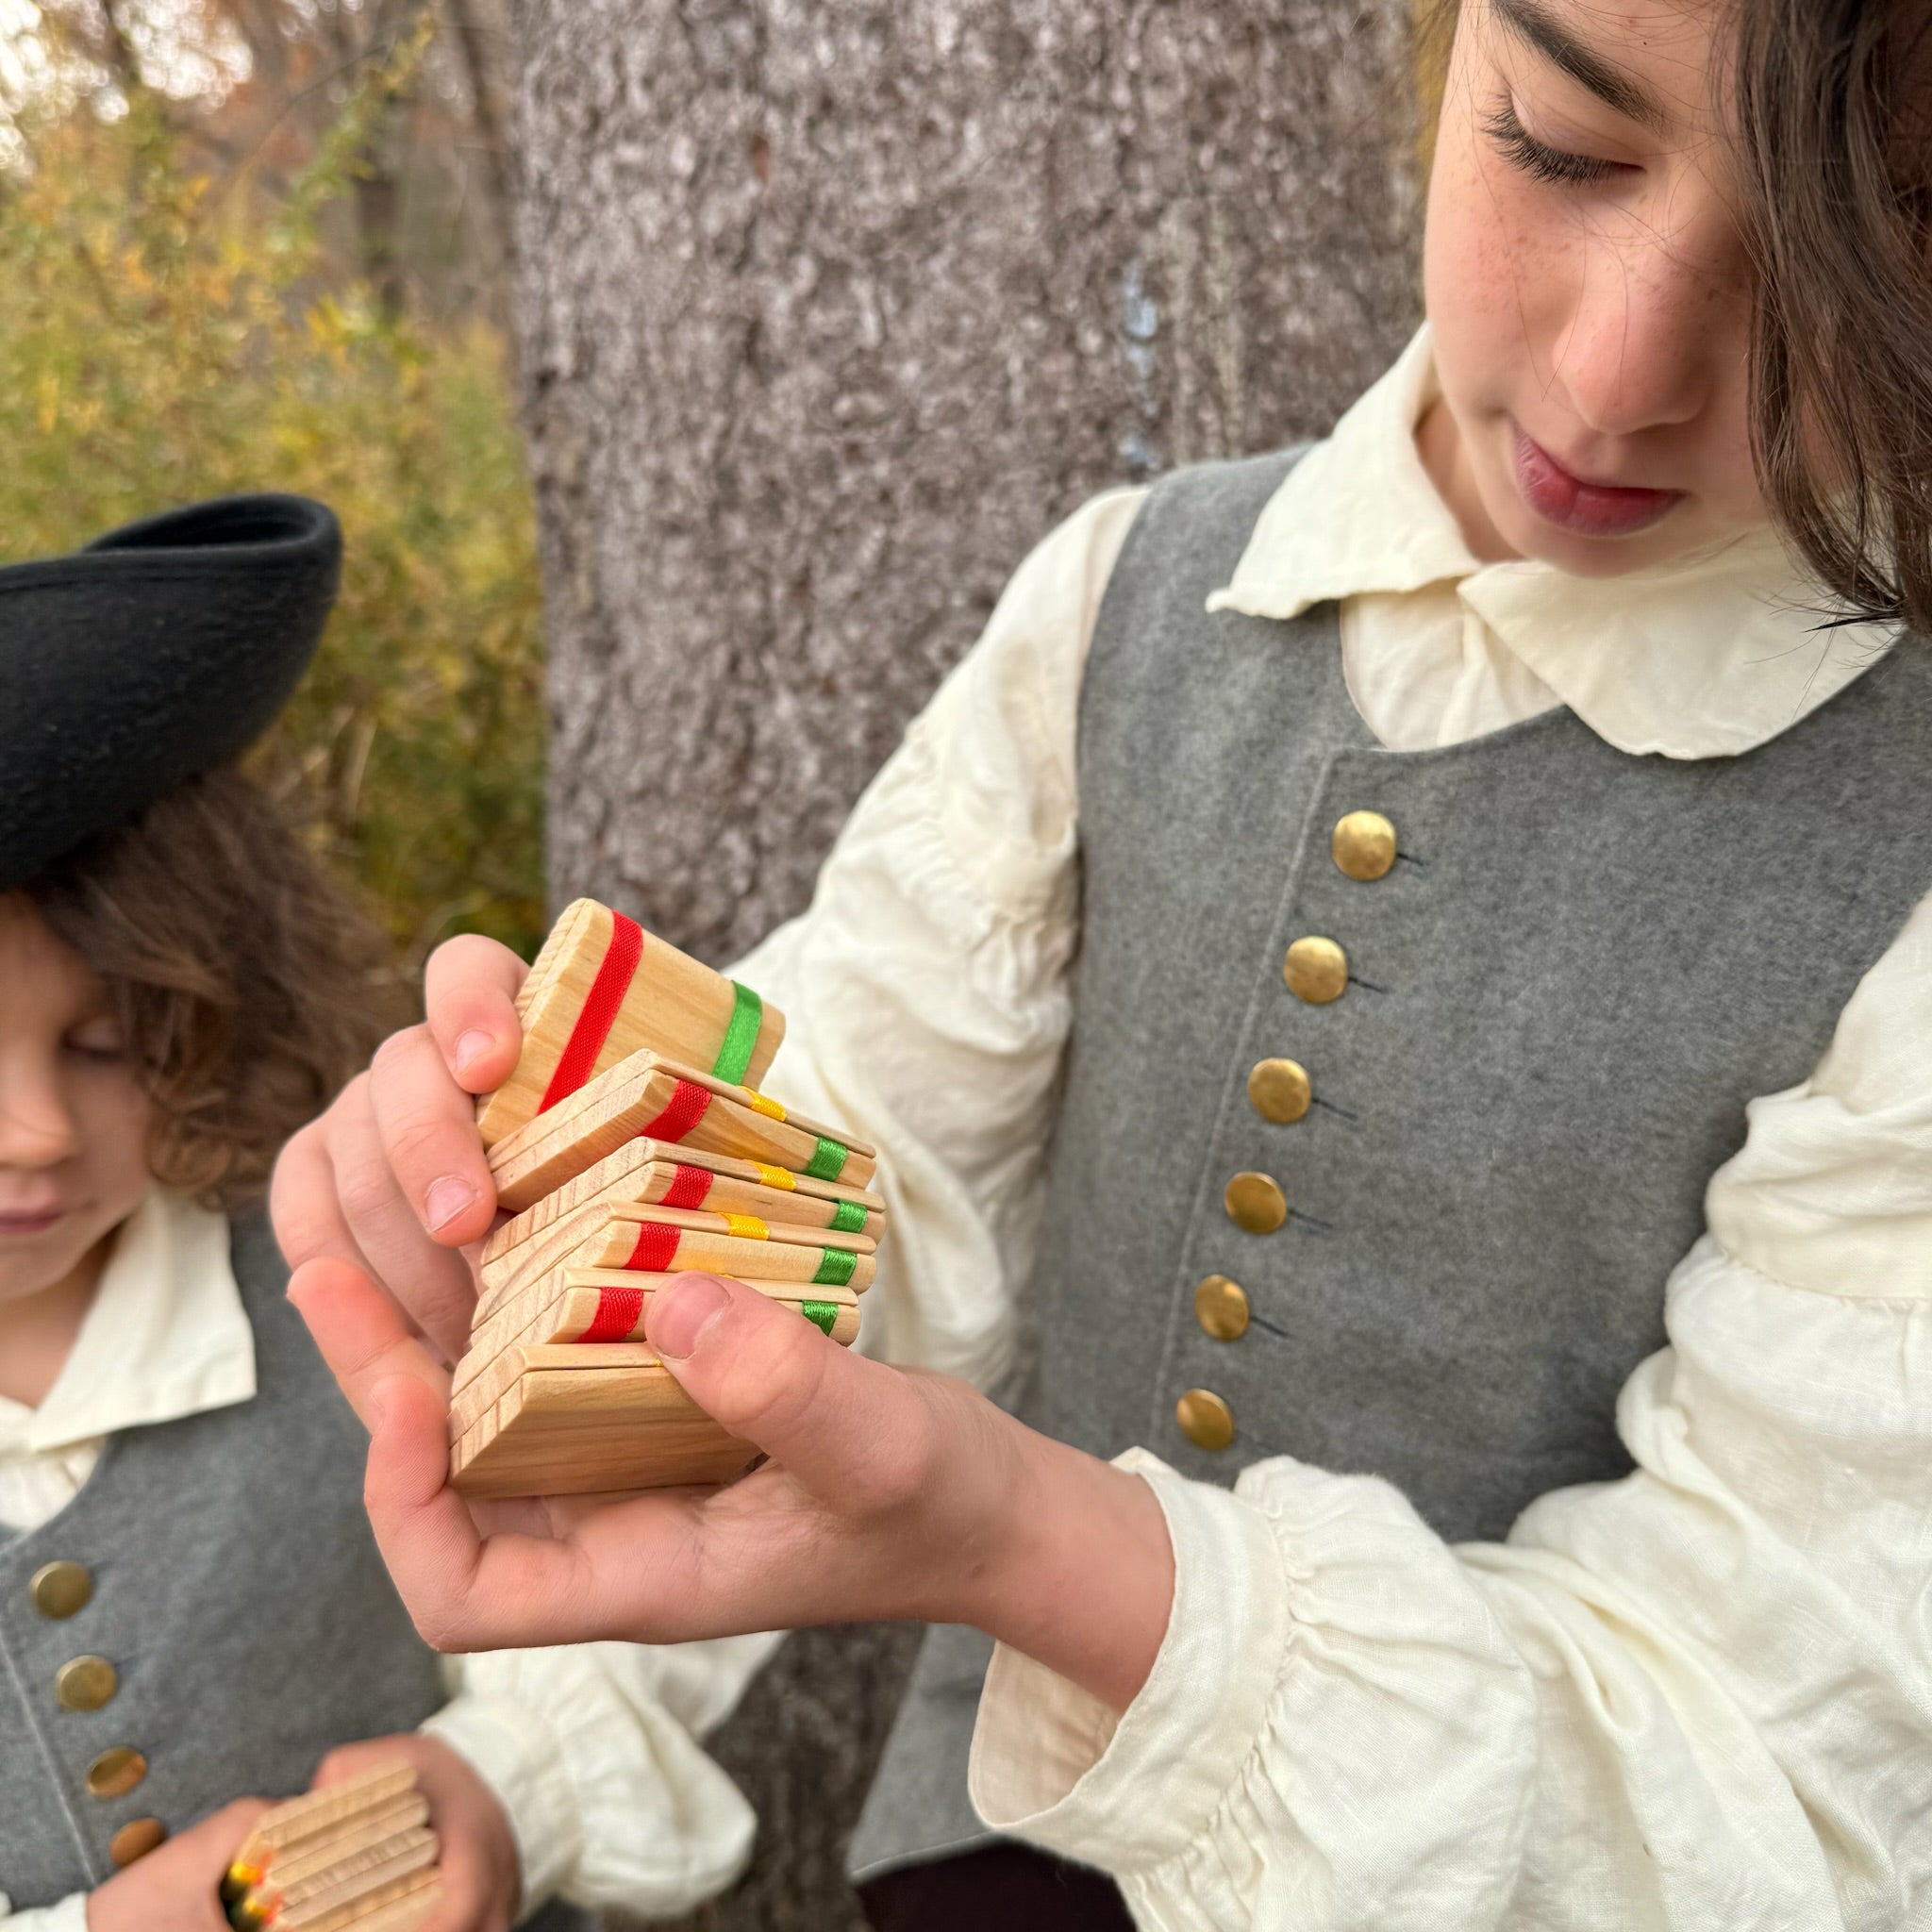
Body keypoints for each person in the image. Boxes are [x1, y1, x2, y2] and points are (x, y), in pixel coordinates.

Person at [275, 0, 1932, 1924]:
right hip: (988, 1868)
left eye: (1859, 252)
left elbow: (1770, 1764)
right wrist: (563, 1225)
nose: (1616, 368)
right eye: (1559, 145)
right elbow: (843, 1182)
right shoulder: (1124, 603)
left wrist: (1035, 1541)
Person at [0, 497, 753, 1930]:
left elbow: (642, 1566)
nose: (34, 1129)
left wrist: (503, 1788)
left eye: (104, 1048)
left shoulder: (353, 1275)